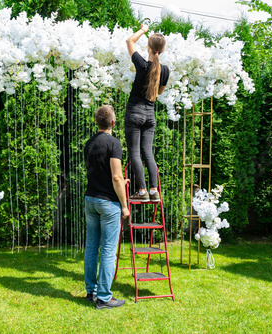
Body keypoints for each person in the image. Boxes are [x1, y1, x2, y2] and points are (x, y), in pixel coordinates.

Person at [84, 105, 130, 310]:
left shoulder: (89, 143)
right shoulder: (114, 143)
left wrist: (121, 181)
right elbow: (115, 176)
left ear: (97, 122)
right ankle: (103, 298)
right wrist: (125, 205)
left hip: (90, 199)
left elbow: (101, 172)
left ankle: (91, 291)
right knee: (109, 251)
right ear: (113, 122)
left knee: (92, 247)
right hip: (108, 203)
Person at [125, 24, 169, 202]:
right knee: (148, 153)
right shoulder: (164, 70)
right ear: (163, 49)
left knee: (134, 153)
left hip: (135, 112)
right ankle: (153, 191)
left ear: (148, 47)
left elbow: (129, 41)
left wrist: (143, 29)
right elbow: (159, 92)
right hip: (149, 115)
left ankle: (141, 191)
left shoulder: (142, 64)